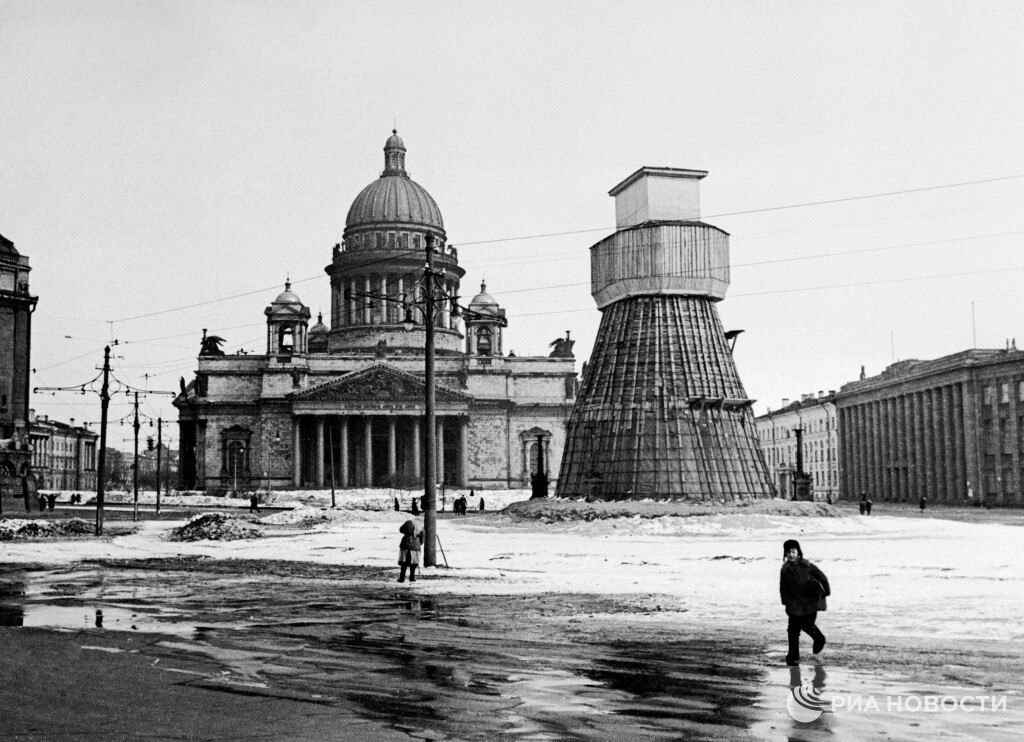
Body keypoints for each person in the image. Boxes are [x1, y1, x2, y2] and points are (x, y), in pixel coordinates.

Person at [780, 539, 830, 666]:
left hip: (810, 604)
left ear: (798, 552)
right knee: (792, 630)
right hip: (794, 604)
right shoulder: (785, 568)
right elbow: (783, 586)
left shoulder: (807, 566)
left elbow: (822, 577)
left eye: (793, 551)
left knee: (807, 624)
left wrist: (826, 591)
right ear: (785, 554)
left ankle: (819, 638)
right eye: (788, 552)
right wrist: (785, 600)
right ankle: (793, 656)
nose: (790, 554)